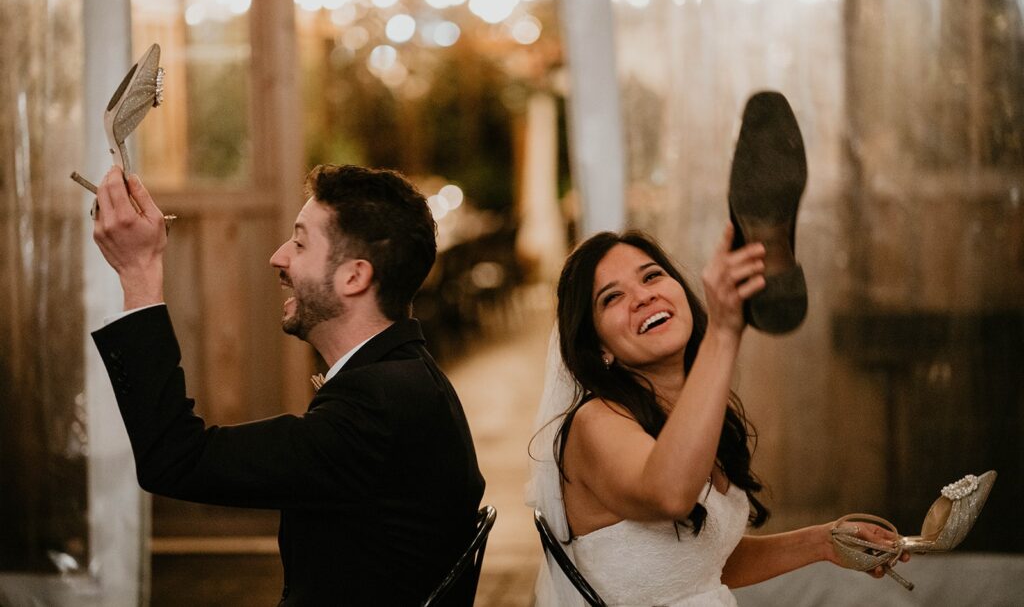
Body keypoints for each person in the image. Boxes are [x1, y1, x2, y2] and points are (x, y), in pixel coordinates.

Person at [90, 164, 485, 605]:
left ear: (354, 277)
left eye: (299, 242)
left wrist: (139, 272)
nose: (278, 256)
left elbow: (176, 458)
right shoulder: (405, 376)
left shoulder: (379, 406)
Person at [528, 228, 908, 606]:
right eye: (612, 297)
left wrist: (824, 542)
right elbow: (670, 495)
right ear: (599, 347)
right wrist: (724, 331)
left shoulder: (692, 410)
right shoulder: (595, 422)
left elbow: (701, 563)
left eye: (652, 275)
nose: (643, 296)